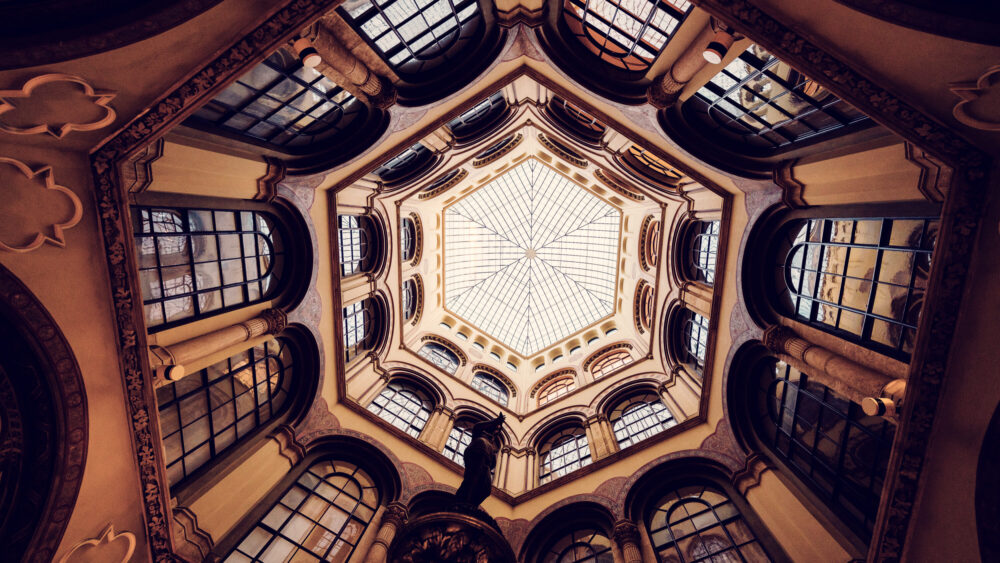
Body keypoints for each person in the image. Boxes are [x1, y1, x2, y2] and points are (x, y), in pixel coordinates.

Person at [454, 413, 505, 507]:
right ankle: (463, 502)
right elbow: (478, 426)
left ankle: (472, 505)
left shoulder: (491, 442)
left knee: (486, 489)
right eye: (496, 427)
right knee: (472, 480)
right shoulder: (480, 433)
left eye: (499, 429)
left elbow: (493, 463)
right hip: (477, 454)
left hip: (485, 465)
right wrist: (495, 421)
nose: (497, 430)